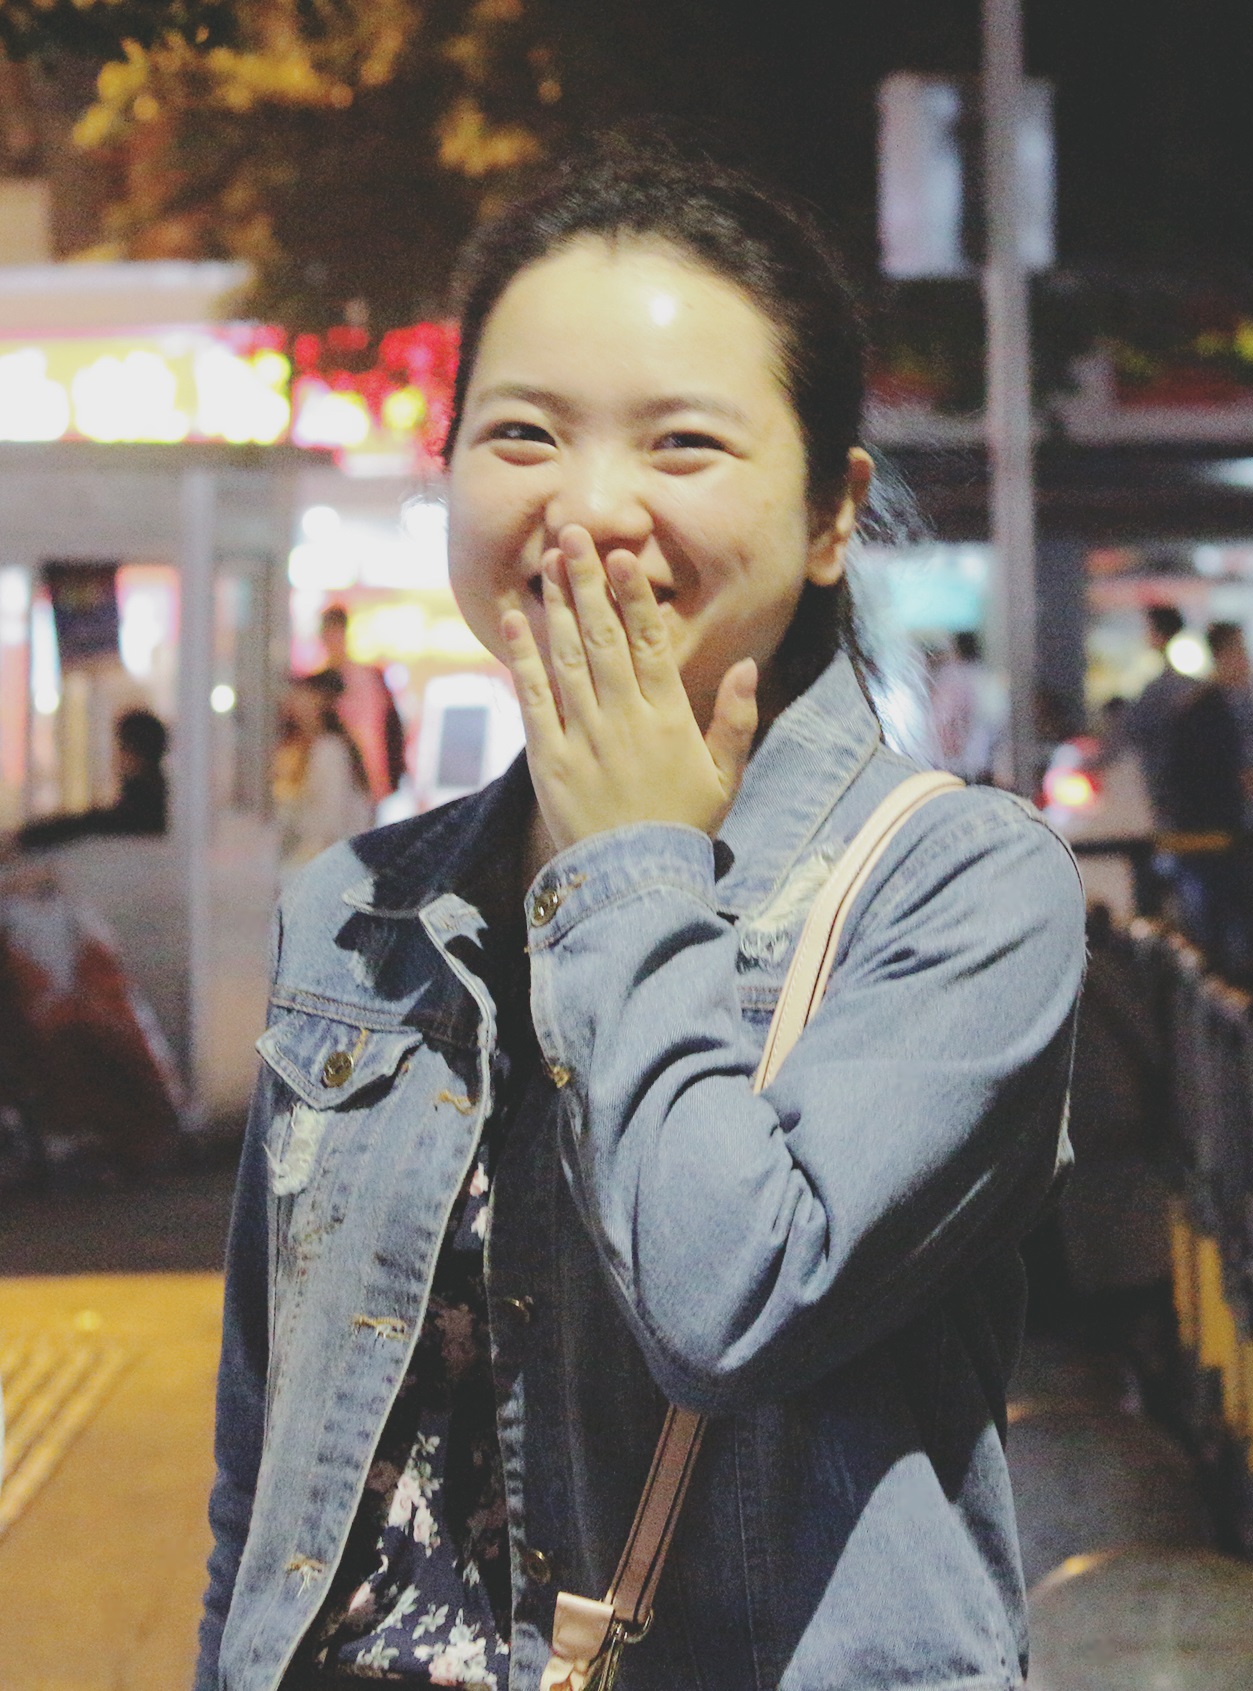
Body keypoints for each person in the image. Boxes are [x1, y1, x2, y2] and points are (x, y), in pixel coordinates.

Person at [197, 128, 1084, 1691]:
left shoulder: (964, 890)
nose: (588, 508)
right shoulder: (356, 908)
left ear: (831, 515)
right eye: (522, 434)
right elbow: (263, 1483)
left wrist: (628, 865)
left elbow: (725, 1302)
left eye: (681, 444)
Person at [1158, 622, 1253, 969]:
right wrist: (1243, 783)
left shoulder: (1241, 706)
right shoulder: (1202, 713)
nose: (1246, 661)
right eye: (1239, 652)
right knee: (1222, 938)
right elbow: (1198, 778)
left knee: (1250, 933)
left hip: (1246, 835)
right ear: (1222, 657)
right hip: (1220, 841)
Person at [17, 708, 168, 848]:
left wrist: (28, 838)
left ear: (133, 752)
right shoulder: (157, 796)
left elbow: (96, 823)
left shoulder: (144, 803)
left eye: (120, 747)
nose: (115, 757)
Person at [272, 670, 374, 873]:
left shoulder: (329, 750)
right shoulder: (318, 747)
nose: (293, 703)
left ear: (320, 701)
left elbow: (330, 823)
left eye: (302, 696)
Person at [315, 602, 408, 804]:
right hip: (342, 777)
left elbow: (376, 731)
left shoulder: (364, 678)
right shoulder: (320, 684)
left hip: (364, 778)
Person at [1119, 602, 1198, 828]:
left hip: (1163, 779)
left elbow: (1131, 730)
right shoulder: (1187, 685)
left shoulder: (1160, 689)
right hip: (1183, 781)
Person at [927, 628, 1004, 782]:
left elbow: (943, 719)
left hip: (951, 767)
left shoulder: (950, 677)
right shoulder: (987, 678)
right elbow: (997, 721)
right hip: (981, 766)